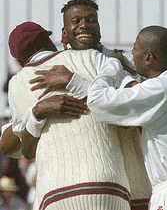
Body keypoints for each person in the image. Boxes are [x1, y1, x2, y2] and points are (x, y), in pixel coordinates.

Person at [28, 0, 151, 209]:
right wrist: (36, 113)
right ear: (64, 32)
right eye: (76, 20)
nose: (84, 25)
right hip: (64, 189)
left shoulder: (121, 65)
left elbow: (137, 115)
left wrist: (76, 83)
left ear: (99, 29)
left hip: (129, 190)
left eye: (91, 20)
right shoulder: (47, 71)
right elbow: (14, 143)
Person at [6, 21, 135, 210]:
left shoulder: (17, 84)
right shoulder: (92, 57)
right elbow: (131, 102)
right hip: (109, 184)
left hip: (55, 191)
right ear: (50, 42)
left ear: (18, 61)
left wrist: (37, 114)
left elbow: (27, 150)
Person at [87, 25, 167, 210]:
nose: (132, 53)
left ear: (149, 58)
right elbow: (138, 92)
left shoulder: (163, 89)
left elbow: (97, 101)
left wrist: (111, 67)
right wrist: (126, 73)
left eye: (135, 48)